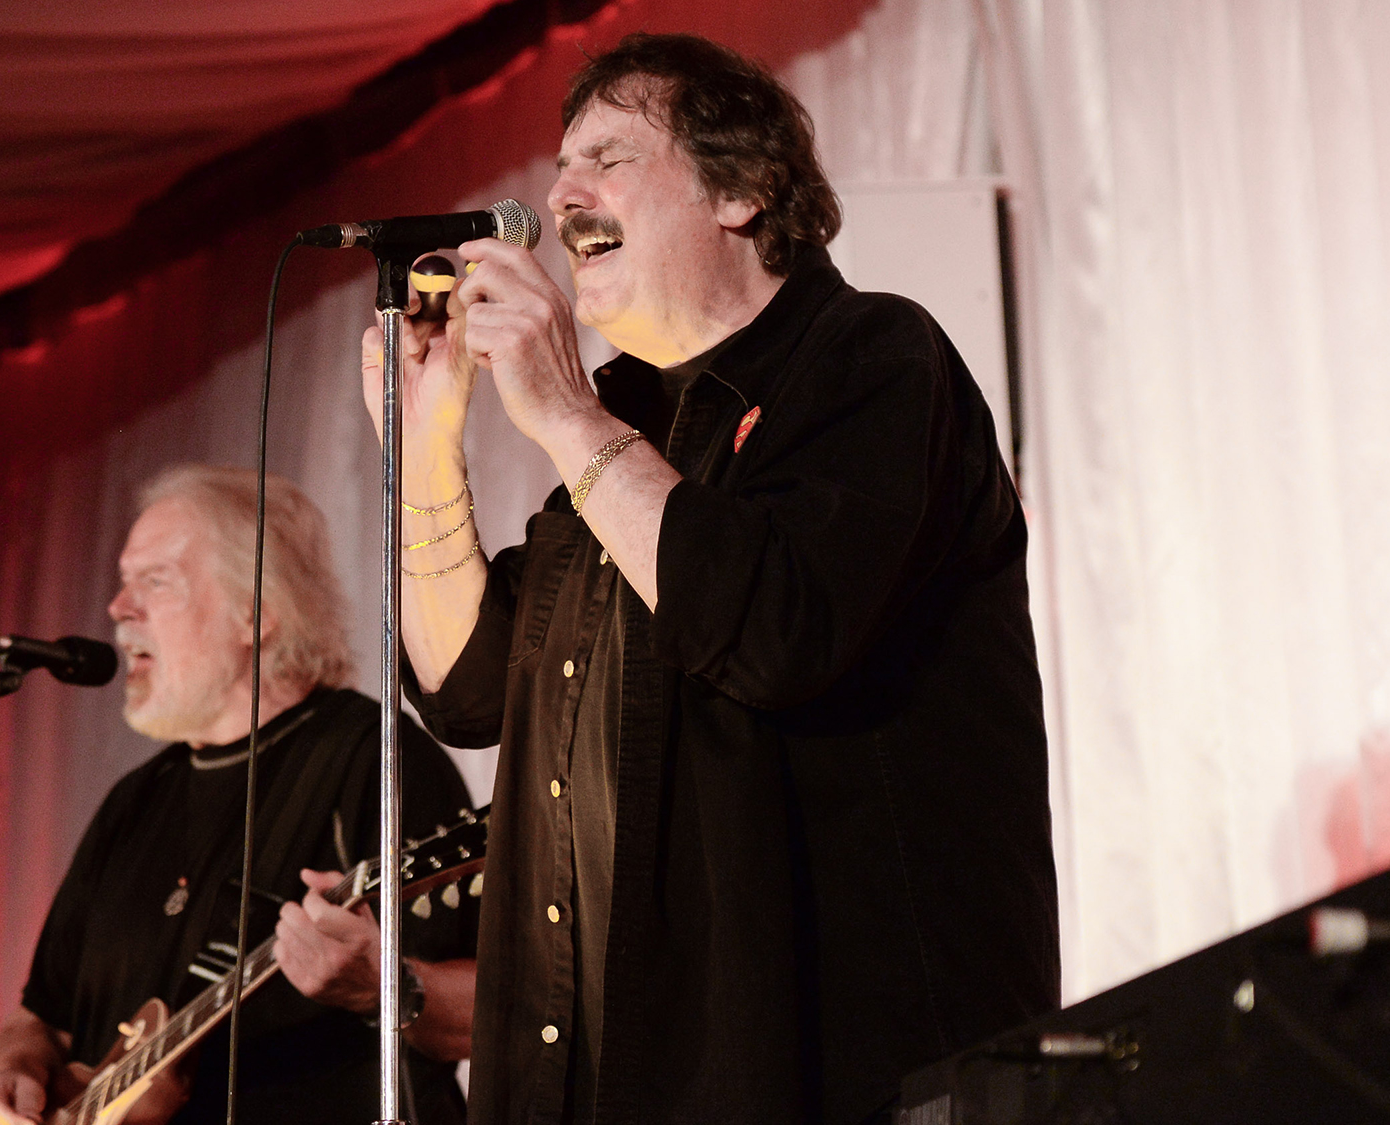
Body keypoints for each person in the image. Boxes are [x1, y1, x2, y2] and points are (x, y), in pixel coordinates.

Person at [370, 33, 1060, 1125]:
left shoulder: (873, 360)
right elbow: (466, 686)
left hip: (830, 1077)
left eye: (607, 156)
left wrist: (557, 410)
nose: (558, 196)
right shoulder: (625, 437)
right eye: (559, 166)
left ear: (738, 191)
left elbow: (777, 629)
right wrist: (424, 445)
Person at [0, 465, 479, 1125]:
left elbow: (495, 1010)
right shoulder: (134, 800)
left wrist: (378, 988)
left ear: (256, 613)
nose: (118, 608)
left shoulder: (370, 756)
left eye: (154, 580)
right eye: (124, 581)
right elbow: (41, 1018)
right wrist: (12, 1069)